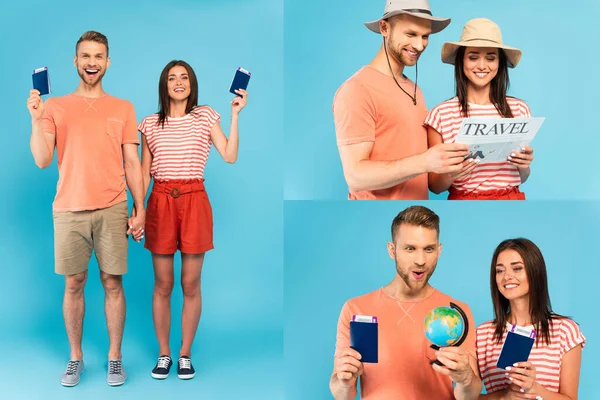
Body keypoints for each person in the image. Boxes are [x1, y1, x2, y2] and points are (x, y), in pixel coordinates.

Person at [26, 31, 145, 387]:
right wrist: (35, 118)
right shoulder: (55, 108)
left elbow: (132, 162)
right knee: (74, 283)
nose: (92, 62)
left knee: (112, 282)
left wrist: (140, 208)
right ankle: (75, 358)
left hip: (112, 206)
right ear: (75, 62)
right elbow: (42, 159)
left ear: (108, 62)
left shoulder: (122, 107)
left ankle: (114, 358)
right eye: (85, 56)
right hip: (69, 208)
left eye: (98, 56)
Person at [137, 60, 248, 380]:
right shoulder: (149, 123)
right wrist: (138, 209)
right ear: (164, 85)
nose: (178, 82)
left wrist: (236, 116)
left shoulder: (204, 115)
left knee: (190, 283)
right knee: (163, 284)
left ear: (192, 83)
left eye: (184, 77)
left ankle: (184, 354)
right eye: (172, 78)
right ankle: (164, 354)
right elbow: (144, 174)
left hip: (194, 199)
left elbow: (229, 155)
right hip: (159, 200)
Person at [330, 206, 481, 399]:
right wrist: (343, 382)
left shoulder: (456, 312)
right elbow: (343, 394)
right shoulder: (356, 309)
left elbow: (470, 395)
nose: (420, 260)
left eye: (429, 249)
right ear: (392, 250)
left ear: (439, 250)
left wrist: (466, 378)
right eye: (410, 249)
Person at [332, 0, 470, 200]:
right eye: (410, 34)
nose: (419, 45)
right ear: (384, 28)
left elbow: (432, 184)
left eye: (425, 36)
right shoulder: (357, 89)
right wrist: (424, 162)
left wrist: (451, 168)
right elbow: (355, 177)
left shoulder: (415, 90)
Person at [424, 18, 535, 200]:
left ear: (499, 63)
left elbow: (522, 177)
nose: (482, 66)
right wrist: (453, 173)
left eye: (491, 58)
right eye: (473, 57)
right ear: (461, 61)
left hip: (511, 199)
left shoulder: (519, 109)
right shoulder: (441, 114)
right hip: (464, 201)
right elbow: (434, 186)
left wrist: (523, 164)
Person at [474, 238, 585, 399]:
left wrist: (536, 389)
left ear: (535, 272)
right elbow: (467, 396)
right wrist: (505, 396)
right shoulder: (483, 334)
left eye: (517, 268)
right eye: (500, 270)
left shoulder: (565, 331)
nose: (507, 277)